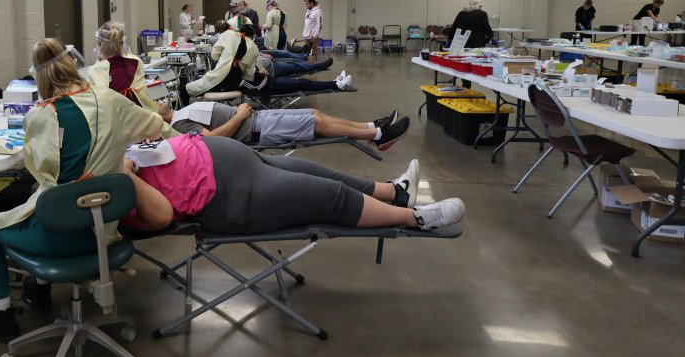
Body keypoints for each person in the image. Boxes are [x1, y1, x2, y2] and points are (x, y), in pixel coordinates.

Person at [0, 38, 174, 342]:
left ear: (39, 78)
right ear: (74, 65)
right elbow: (154, 127)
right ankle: (38, 291)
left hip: (59, 235)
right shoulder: (111, 100)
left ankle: (3, 317)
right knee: (52, 202)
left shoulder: (39, 117)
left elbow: (41, 171)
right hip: (102, 232)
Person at [121, 134, 465, 235]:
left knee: (319, 172)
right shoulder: (109, 185)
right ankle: (416, 218)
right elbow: (162, 216)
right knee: (328, 196)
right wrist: (125, 173)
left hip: (226, 158)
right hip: (226, 197)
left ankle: (395, 192)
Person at [159, 100, 410, 151]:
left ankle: (370, 125)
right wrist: (239, 116)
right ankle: (377, 135)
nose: (159, 99)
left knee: (314, 112)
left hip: (255, 118)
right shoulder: (181, 123)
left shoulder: (182, 110)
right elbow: (211, 140)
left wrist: (241, 110)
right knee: (315, 122)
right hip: (257, 129)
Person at [86, 21, 159, 112]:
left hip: (115, 121)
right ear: (121, 43)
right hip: (142, 117)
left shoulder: (96, 71)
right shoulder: (135, 62)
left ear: (99, 44)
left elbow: (97, 107)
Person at [186, 19, 259, 98]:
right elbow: (248, 73)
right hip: (234, 83)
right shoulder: (255, 48)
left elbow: (214, 55)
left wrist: (224, 58)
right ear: (252, 36)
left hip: (219, 79)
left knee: (185, 90)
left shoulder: (229, 34)